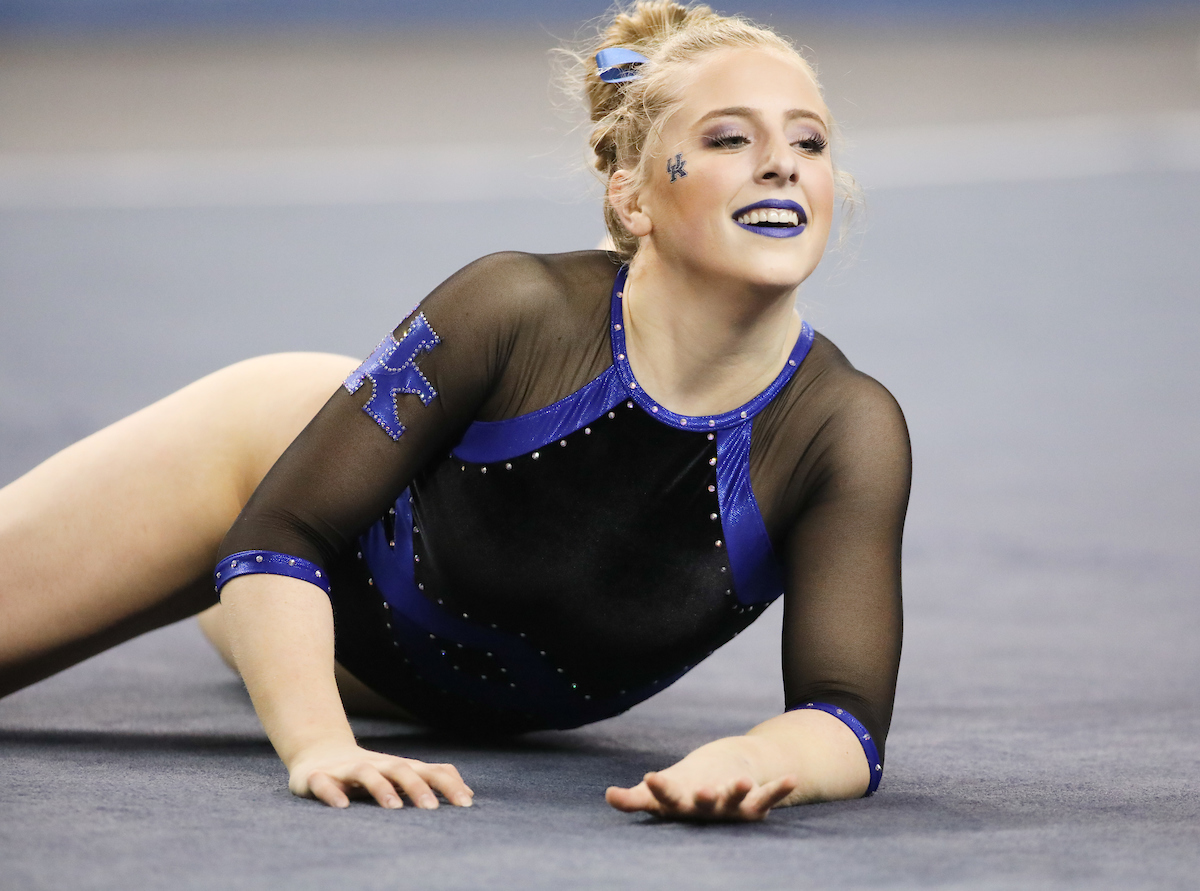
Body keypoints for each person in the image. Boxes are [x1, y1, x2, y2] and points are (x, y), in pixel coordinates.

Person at [0, 1, 910, 822]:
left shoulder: (843, 428)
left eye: (810, 142)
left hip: (380, 665)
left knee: (238, 616)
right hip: (263, 479)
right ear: (632, 195)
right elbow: (278, 533)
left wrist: (758, 755)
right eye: (727, 140)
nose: (781, 165)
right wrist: (319, 741)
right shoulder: (513, 310)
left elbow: (844, 713)